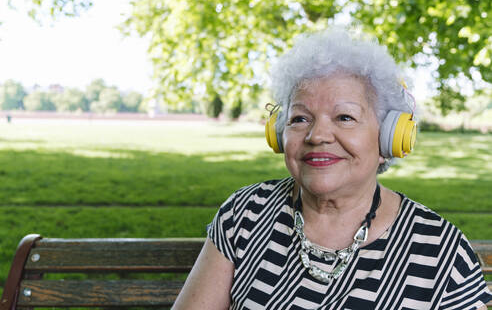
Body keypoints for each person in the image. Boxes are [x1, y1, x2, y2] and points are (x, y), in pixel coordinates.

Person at [173, 29, 492, 309]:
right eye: (300, 118)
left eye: (344, 117)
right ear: (279, 133)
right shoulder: (244, 213)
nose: (317, 136)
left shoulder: (441, 253)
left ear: (388, 139)